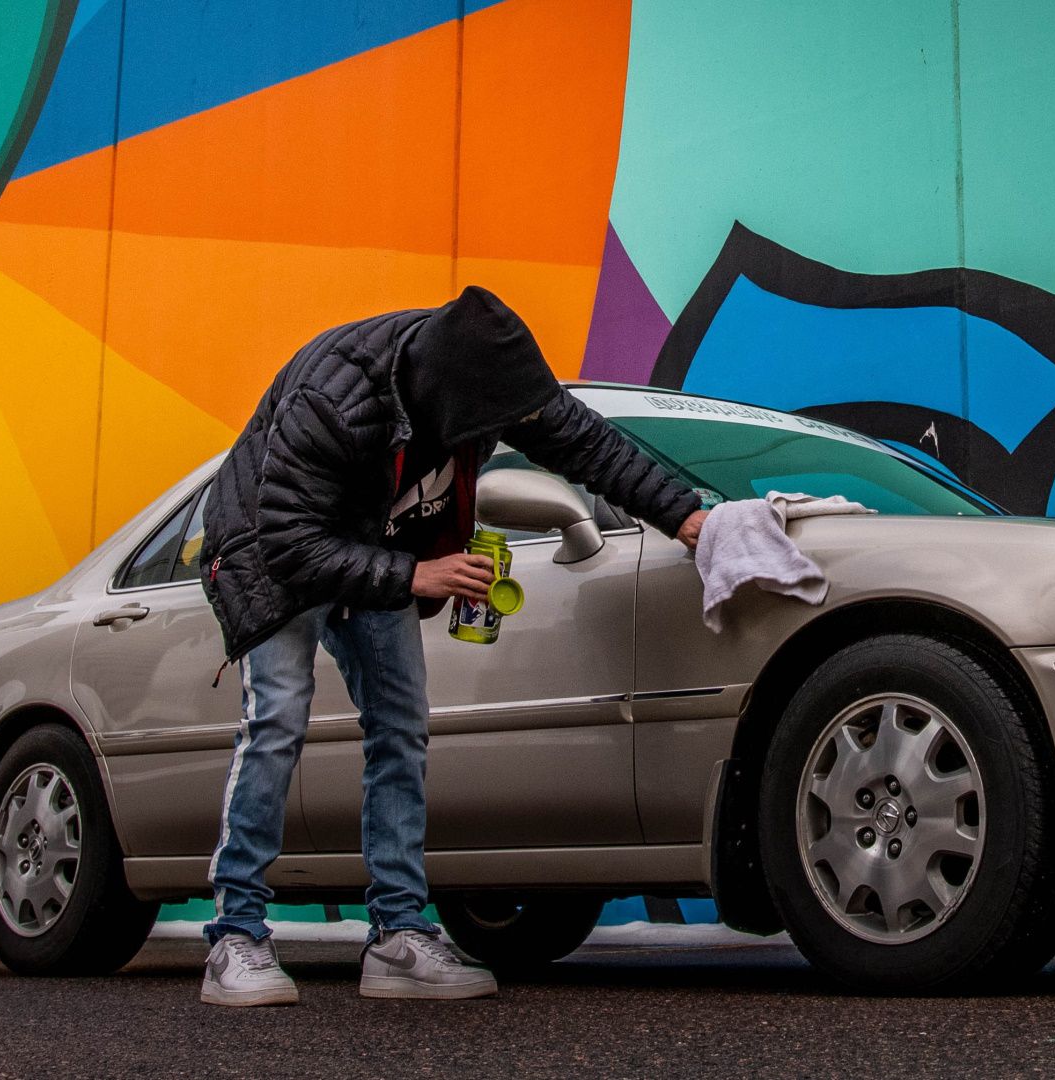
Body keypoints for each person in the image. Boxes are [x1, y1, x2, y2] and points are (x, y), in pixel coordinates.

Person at [196, 287, 708, 1006]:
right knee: (278, 719)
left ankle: (398, 937)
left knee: (401, 728)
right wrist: (418, 572)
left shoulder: (486, 375)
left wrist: (691, 520)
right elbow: (289, 541)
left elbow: (589, 445)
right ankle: (236, 934)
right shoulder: (335, 399)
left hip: (374, 543)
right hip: (274, 550)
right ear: (444, 399)